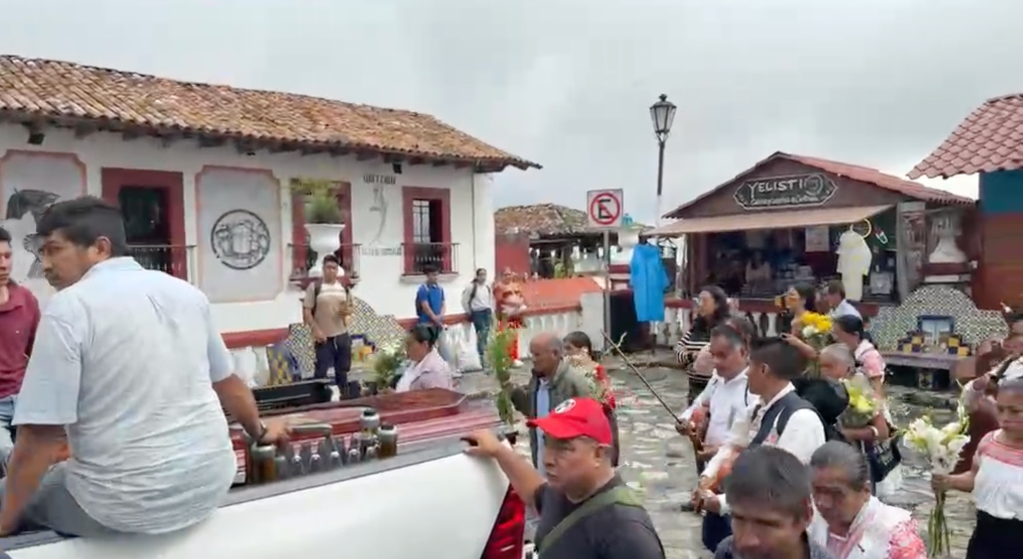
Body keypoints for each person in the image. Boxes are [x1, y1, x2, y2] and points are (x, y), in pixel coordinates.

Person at [0, 196, 289, 538]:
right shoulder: (187, 293)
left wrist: (4, 525)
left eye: (53, 250)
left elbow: (39, 437)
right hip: (210, 484)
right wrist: (259, 431)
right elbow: (228, 383)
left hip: (119, 506)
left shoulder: (68, 308)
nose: (45, 265)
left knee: (17, 491)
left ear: (100, 248)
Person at [463, 398, 665, 559]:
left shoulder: (627, 533)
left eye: (564, 448)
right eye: (547, 443)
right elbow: (535, 492)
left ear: (598, 454)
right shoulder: (564, 490)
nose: (547, 459)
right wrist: (499, 451)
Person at [698, 337, 827, 552]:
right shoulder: (757, 408)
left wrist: (722, 503)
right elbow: (733, 444)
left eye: (750, 366)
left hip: (781, 533)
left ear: (764, 369)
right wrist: (708, 477)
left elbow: (780, 484)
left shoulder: (801, 419)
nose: (746, 373)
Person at [932, 369, 1023, 558]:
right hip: (985, 535)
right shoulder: (989, 441)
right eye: (1000, 409)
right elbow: (975, 477)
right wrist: (949, 481)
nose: (1005, 417)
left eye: (1015, 411)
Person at [675, 320, 753, 525]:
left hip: (736, 471)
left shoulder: (753, 387)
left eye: (723, 356)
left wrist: (719, 451)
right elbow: (700, 402)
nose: (716, 362)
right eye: (713, 355)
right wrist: (685, 420)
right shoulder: (717, 378)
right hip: (711, 469)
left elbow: (754, 437)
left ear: (743, 351)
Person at [808, 442, 926, 559]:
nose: (822, 503)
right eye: (817, 491)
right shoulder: (808, 520)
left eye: (836, 494)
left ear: (866, 490)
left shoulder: (896, 538)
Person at [714, 446, 835, 559]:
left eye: (766, 524)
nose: (746, 541)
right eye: (739, 519)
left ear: (805, 516)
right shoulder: (727, 552)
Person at [818, 345, 901, 499]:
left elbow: (882, 431)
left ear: (848, 368)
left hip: (859, 460)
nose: (824, 371)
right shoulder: (821, 388)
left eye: (829, 366)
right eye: (821, 366)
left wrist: (848, 434)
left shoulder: (861, 389)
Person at [510, 333, 593, 476]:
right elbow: (532, 413)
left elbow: (588, 424)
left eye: (537, 355)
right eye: (531, 355)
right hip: (541, 456)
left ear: (555, 354)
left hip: (565, 465)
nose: (533, 359)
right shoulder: (536, 381)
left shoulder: (574, 382)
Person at [0, 226, 41, 467]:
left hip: (25, 399)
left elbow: (40, 352)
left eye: (7, 256)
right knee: (8, 456)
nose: (3, 265)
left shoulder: (26, 300)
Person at [563, 331, 620, 467]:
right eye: (564, 349)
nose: (565, 353)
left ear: (584, 350)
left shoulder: (595, 370)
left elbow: (609, 400)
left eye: (569, 349)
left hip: (601, 417)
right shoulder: (566, 372)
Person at [303, 254, 353, 393]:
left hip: (342, 335)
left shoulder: (343, 287)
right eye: (328, 267)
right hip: (323, 337)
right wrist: (315, 329)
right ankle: (318, 397)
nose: (331, 271)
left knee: (343, 370)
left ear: (337, 270)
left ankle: (344, 395)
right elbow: (307, 311)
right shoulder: (315, 287)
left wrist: (347, 312)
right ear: (323, 269)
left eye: (334, 268)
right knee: (321, 371)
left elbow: (350, 308)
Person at [675, 285, 731, 404]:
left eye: (704, 301)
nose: (700, 305)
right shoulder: (695, 329)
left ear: (717, 304)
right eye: (698, 301)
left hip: (718, 389)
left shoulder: (726, 329)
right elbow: (678, 351)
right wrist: (692, 356)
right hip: (694, 389)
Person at [831, 315, 886, 398]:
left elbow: (877, 387)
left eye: (839, 335)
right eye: (834, 334)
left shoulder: (869, 356)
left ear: (855, 335)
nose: (835, 338)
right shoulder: (846, 352)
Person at [395, 323, 454, 392]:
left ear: (424, 345)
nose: (406, 349)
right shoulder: (416, 362)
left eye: (409, 345)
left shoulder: (434, 373)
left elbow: (438, 398)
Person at [461, 268, 493, 365]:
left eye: (484, 275)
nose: (483, 277)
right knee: (481, 333)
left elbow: (489, 300)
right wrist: (469, 311)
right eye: (481, 275)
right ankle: (481, 356)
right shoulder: (472, 287)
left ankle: (487, 355)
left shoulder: (487, 287)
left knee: (487, 333)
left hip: (486, 311)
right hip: (477, 312)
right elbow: (464, 300)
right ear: (477, 276)